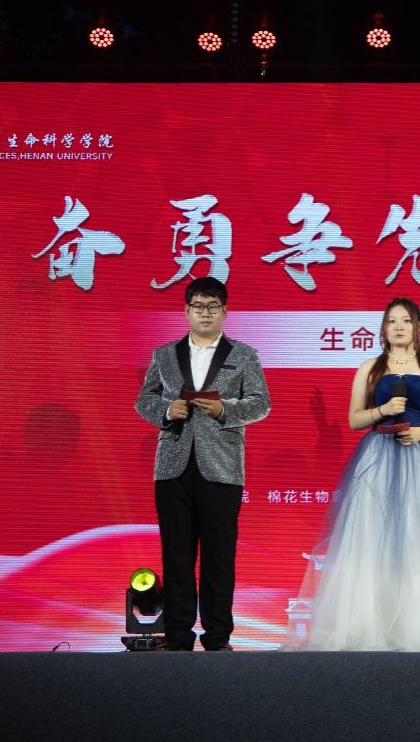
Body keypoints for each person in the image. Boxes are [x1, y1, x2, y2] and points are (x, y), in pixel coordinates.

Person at [296, 297, 420, 651]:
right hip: (377, 459)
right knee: (371, 535)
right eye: (391, 321)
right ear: (384, 328)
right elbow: (355, 419)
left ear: (418, 327)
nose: (398, 327)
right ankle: (368, 623)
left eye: (405, 320)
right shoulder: (370, 368)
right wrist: (383, 410)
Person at [134, 277, 271, 651]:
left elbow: (261, 403)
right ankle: (177, 634)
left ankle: (217, 636)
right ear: (186, 311)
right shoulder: (165, 355)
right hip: (172, 466)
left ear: (224, 312)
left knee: (219, 555)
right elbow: (144, 400)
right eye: (198, 306)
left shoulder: (244, 355)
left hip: (223, 467)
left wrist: (225, 409)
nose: (205, 313)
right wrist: (167, 411)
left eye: (212, 306)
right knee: (176, 553)